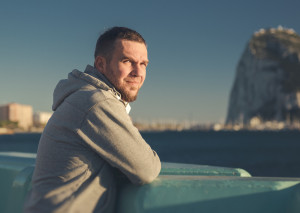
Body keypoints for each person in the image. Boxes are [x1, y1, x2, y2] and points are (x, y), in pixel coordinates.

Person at [24, 27, 161, 213]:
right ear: (101, 64)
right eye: (127, 61)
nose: (138, 72)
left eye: (143, 64)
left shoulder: (83, 96)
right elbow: (147, 169)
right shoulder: (96, 102)